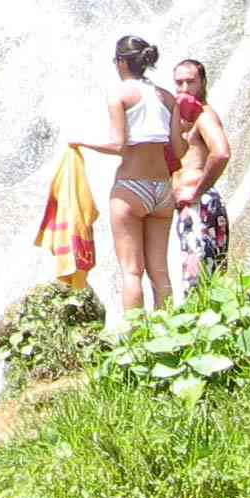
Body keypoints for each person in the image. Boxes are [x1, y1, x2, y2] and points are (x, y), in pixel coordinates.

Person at [68, 34, 182, 315]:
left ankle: (135, 339)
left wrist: (81, 142)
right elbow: (179, 150)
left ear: (121, 62)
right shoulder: (168, 98)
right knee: (160, 272)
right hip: (163, 190)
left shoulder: (118, 94)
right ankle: (171, 333)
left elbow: (117, 144)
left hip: (132, 188)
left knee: (132, 271)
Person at [171, 57, 233, 291]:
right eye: (179, 83)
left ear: (203, 83)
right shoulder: (182, 119)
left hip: (200, 204)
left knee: (199, 277)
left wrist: (197, 192)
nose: (185, 88)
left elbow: (221, 153)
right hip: (190, 205)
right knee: (199, 274)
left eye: (191, 82)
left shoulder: (204, 115)